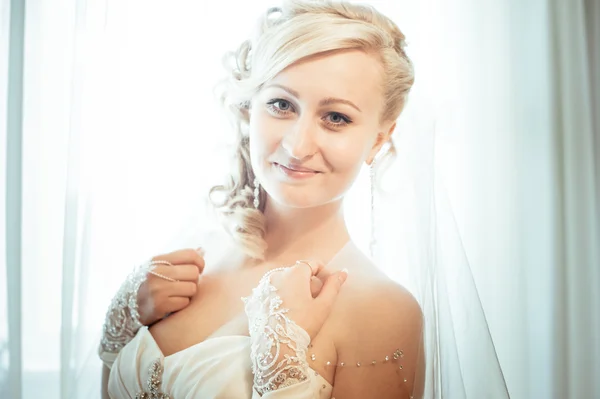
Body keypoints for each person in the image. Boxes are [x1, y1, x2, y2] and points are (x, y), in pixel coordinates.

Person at [98, 1, 508, 398]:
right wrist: (120, 329)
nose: (297, 145)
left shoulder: (381, 310)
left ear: (378, 140)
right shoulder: (192, 260)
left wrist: (283, 373)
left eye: (336, 118)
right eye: (281, 104)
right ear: (249, 108)